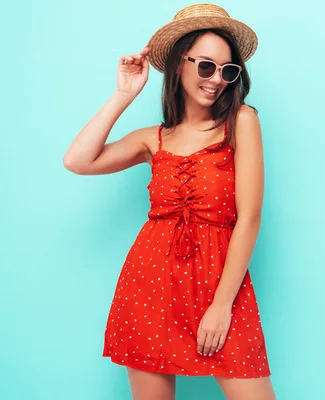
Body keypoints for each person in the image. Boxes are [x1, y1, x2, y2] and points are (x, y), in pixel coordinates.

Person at [62, 4, 276, 400]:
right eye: (206, 66)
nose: (217, 80)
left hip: (219, 286)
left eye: (228, 71)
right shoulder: (152, 139)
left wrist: (221, 305)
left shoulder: (241, 121)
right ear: (179, 64)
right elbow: (77, 161)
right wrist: (124, 93)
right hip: (148, 287)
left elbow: (249, 219)